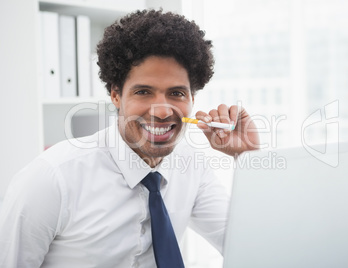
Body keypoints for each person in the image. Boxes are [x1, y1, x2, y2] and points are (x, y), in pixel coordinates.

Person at [0, 9, 259, 267]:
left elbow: (253, 248)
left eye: (177, 93)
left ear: (192, 100)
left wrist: (248, 158)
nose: (162, 110)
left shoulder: (193, 168)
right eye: (144, 91)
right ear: (115, 95)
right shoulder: (51, 179)